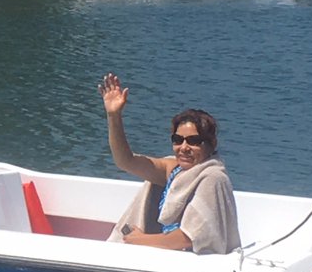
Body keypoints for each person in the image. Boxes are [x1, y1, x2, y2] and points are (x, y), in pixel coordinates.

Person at [98, 72, 240, 255]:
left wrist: (140, 239)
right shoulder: (173, 169)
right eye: (178, 140)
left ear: (211, 144)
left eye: (194, 141)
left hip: (189, 263)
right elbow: (126, 161)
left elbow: (188, 238)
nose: (184, 147)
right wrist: (114, 116)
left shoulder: (213, 178)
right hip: (165, 255)